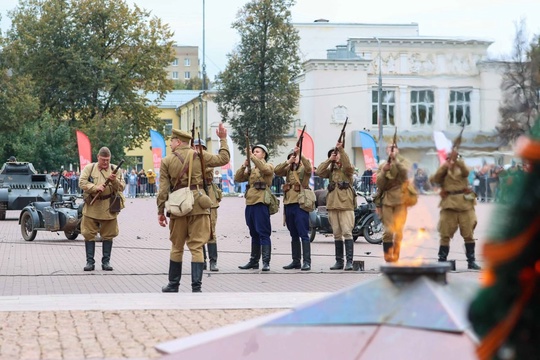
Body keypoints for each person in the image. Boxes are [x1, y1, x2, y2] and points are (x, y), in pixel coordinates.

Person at [157, 124, 229, 293]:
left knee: (177, 247)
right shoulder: (200, 156)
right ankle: (196, 287)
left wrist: (161, 211)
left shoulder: (167, 161)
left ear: (179, 142)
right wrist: (223, 138)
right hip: (198, 205)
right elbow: (224, 159)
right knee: (197, 247)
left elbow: (163, 191)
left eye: (172, 141)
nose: (170, 144)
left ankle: (173, 285)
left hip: (178, 207)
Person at [79, 147, 126, 272]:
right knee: (88, 234)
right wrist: (95, 187)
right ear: (98, 157)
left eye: (107, 160)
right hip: (92, 206)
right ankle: (90, 262)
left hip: (108, 206)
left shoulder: (115, 169)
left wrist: (114, 180)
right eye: (103, 160)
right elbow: (82, 182)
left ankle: (106, 262)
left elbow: (121, 187)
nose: (105, 162)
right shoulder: (90, 168)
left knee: (108, 235)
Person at [430, 155, 480, 270]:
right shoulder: (443, 171)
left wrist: (458, 162)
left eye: (455, 159)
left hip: (465, 204)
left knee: (468, 234)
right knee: (445, 234)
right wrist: (444, 167)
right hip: (449, 204)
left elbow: (466, 172)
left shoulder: (462, 169)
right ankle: (442, 260)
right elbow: (435, 179)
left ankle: (471, 261)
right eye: (450, 159)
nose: (452, 161)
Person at [315, 142, 355, 271]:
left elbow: (348, 166)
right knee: (337, 234)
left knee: (347, 233)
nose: (335, 156)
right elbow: (319, 171)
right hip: (332, 204)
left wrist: (341, 151)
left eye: (336, 154)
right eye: (333, 154)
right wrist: (329, 160)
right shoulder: (330, 171)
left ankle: (349, 262)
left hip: (345, 204)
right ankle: (339, 261)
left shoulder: (346, 169)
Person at [235, 144, 274, 271]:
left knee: (263, 232)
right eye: (254, 151)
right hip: (250, 202)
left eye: (257, 152)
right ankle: (254, 260)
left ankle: (266, 262)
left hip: (261, 202)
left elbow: (266, 170)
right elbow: (238, 178)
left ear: (264, 154)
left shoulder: (268, 165)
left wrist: (251, 156)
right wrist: (244, 165)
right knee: (253, 233)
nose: (255, 153)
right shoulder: (252, 168)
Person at [192, 138, 230, 272]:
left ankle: (213, 261)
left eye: (200, 147)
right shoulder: (190, 160)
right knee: (197, 231)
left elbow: (207, 169)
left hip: (209, 195)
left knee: (211, 231)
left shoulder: (207, 160)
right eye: (195, 147)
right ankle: (201, 260)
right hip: (196, 196)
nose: (197, 149)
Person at [274, 146, 313, 271]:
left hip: (300, 204)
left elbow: (309, 168)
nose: (293, 158)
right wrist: (288, 162)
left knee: (303, 233)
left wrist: (300, 155)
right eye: (291, 156)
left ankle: (307, 261)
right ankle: (296, 261)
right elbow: (276, 171)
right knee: (293, 234)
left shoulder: (303, 169)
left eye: (295, 156)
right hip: (289, 204)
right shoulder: (288, 170)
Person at [375, 143, 410, 263]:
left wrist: (395, 161)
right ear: (386, 150)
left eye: (394, 148)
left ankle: (396, 257)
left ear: (398, 150)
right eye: (390, 148)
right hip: (387, 201)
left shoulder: (403, 163)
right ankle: (388, 259)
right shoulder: (382, 165)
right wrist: (384, 171)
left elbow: (405, 174)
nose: (392, 150)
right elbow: (379, 183)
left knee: (399, 231)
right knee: (388, 232)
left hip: (401, 200)